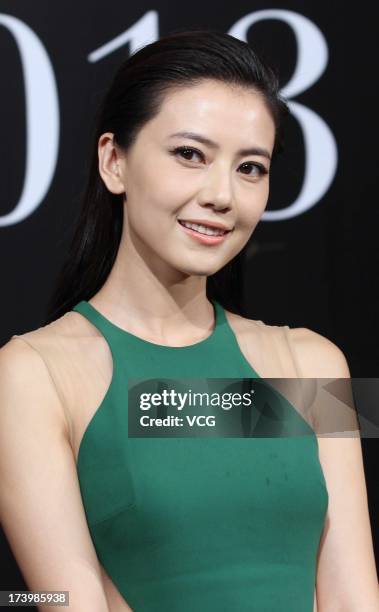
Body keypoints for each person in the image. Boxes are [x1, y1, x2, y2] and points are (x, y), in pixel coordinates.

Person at [0, 28, 378, 612]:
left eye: (251, 167)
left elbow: (356, 596)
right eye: (190, 155)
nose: (222, 194)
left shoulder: (317, 362)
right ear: (113, 161)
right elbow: (57, 599)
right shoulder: (30, 374)